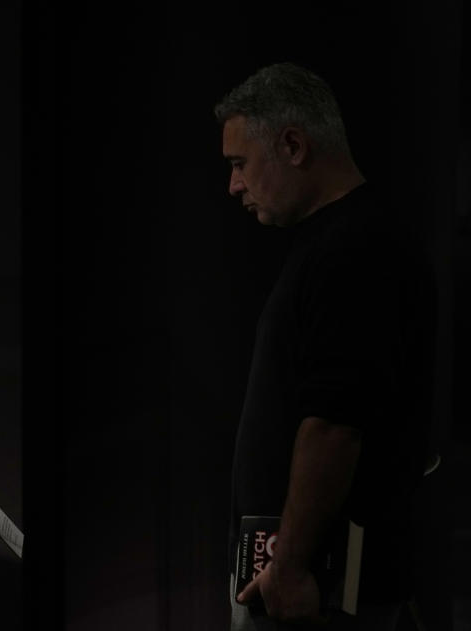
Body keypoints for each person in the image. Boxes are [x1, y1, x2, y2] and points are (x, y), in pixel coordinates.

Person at [214, 63, 434, 630]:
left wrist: (288, 569)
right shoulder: (339, 242)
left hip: (317, 594)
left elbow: (335, 424)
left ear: (292, 145)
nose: (233, 185)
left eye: (240, 164)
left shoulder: (356, 248)